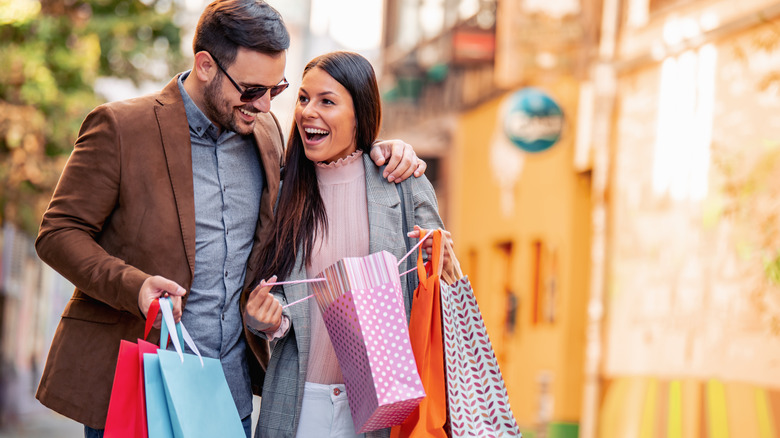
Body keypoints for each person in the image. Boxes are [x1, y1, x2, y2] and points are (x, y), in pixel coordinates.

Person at [33, 2, 426, 437]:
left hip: (229, 394)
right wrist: (136, 286)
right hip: (141, 391)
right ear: (205, 66)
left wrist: (383, 149)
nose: (262, 104)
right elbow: (58, 232)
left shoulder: (265, 133)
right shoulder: (122, 127)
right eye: (251, 90)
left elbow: (336, 166)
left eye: (275, 91)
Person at [243, 51, 456, 438]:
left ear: (360, 112)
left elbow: (443, 277)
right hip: (299, 400)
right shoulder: (280, 190)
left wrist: (438, 255)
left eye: (327, 101)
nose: (309, 112)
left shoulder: (403, 182)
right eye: (304, 98)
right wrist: (265, 322)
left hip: (384, 406)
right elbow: (273, 301)